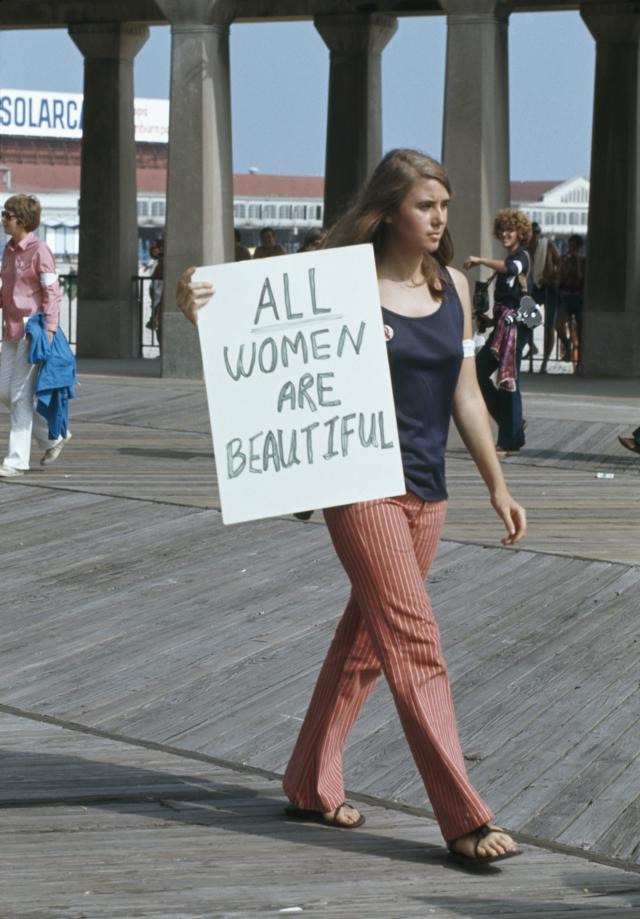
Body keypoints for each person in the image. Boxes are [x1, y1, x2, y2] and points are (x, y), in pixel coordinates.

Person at [175, 149, 526, 865]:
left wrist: (497, 484)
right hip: (360, 482)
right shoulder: (338, 282)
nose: (439, 219)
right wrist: (197, 306)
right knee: (415, 638)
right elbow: (262, 337)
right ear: (390, 208)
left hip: (429, 493)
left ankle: (309, 778)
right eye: (426, 205)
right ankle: (462, 814)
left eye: (445, 207)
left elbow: (465, 394)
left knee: (365, 645)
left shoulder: (454, 285)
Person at [0, 194, 70, 477]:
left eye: (7, 215)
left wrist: (50, 330)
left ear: (21, 220)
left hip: (34, 331)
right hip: (11, 330)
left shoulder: (40, 250)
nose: (3, 219)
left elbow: (52, 293)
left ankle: (16, 460)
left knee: (18, 395)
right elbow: (8, 290)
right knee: (5, 392)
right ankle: (54, 436)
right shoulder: (8, 250)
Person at [464, 209, 532, 456]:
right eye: (502, 230)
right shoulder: (508, 260)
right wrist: (488, 320)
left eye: (510, 230)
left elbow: (511, 268)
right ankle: (510, 424)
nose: (505, 234)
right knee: (478, 373)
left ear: (520, 233)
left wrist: (481, 261)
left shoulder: (522, 256)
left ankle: (509, 442)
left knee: (508, 381)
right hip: (503, 329)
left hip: (515, 330)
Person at [528, 222, 560, 374]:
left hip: (548, 289)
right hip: (533, 289)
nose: (533, 235)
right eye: (531, 232)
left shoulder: (547, 245)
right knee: (527, 322)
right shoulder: (526, 247)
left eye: (536, 232)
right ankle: (531, 348)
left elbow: (560, 263)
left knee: (549, 327)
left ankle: (544, 363)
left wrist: (552, 278)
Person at [556, 234, 585, 370]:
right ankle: (566, 345)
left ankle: (578, 363)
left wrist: (578, 261)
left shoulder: (582, 260)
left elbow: (580, 277)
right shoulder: (564, 260)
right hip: (566, 296)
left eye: (574, 246)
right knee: (559, 326)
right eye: (570, 246)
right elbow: (560, 279)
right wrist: (561, 265)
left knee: (579, 332)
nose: (571, 249)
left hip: (578, 297)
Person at [145, 238, 164, 333]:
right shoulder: (158, 262)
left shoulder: (162, 262)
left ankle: (155, 318)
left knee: (158, 302)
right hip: (156, 290)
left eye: (155, 247)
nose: (153, 249)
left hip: (159, 290)